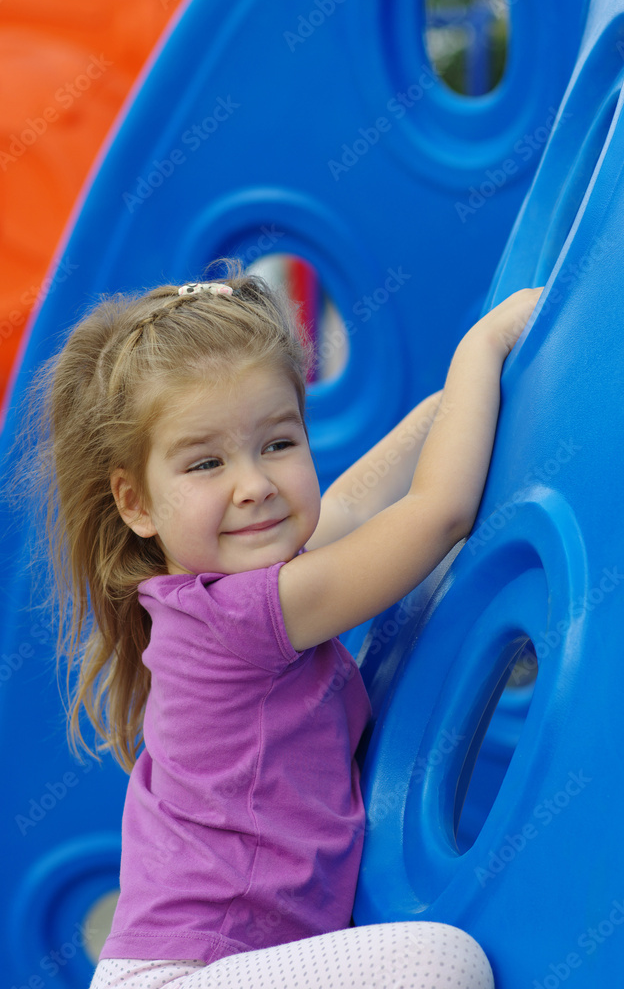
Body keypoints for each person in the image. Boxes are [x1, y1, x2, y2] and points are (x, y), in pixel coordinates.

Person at [28, 260, 541, 988]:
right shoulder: (240, 616)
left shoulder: (228, 588)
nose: (255, 484)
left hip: (225, 967)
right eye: (205, 463)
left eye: (278, 442)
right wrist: (480, 352)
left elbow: (357, 504)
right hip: (183, 977)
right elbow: (439, 514)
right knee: (443, 963)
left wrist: (445, 408)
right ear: (136, 503)